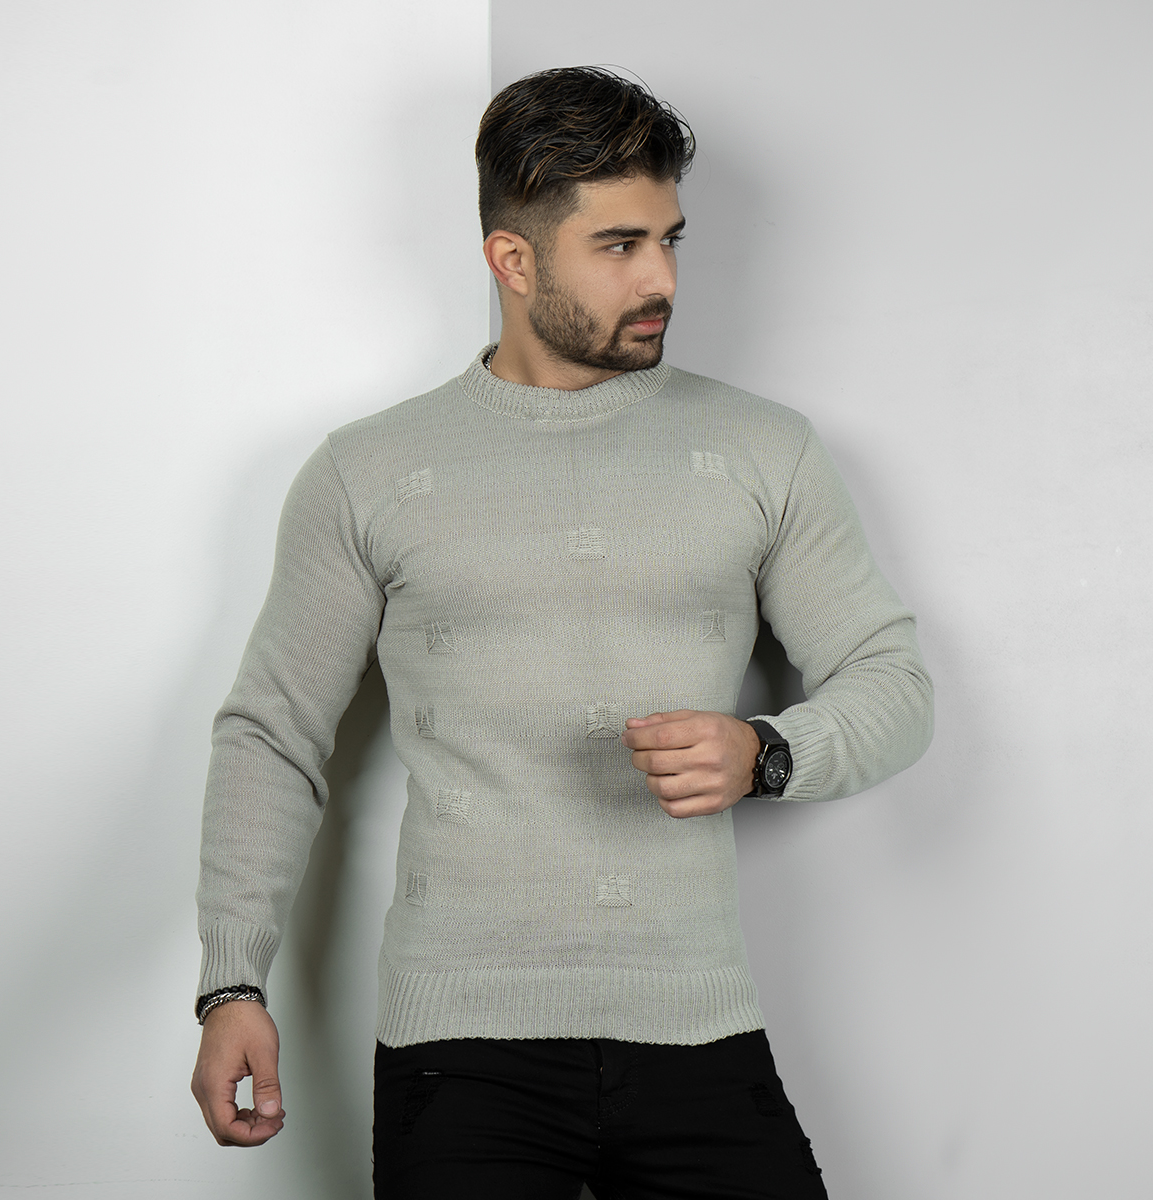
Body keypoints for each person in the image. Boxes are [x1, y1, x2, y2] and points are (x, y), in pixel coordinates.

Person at [190, 66, 934, 1198]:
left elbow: (892, 681)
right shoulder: (366, 472)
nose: (662, 278)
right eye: (619, 245)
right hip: (457, 1047)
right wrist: (231, 983)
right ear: (513, 259)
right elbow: (273, 732)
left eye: (669, 240)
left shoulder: (763, 449)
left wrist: (767, 751)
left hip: (696, 1023)